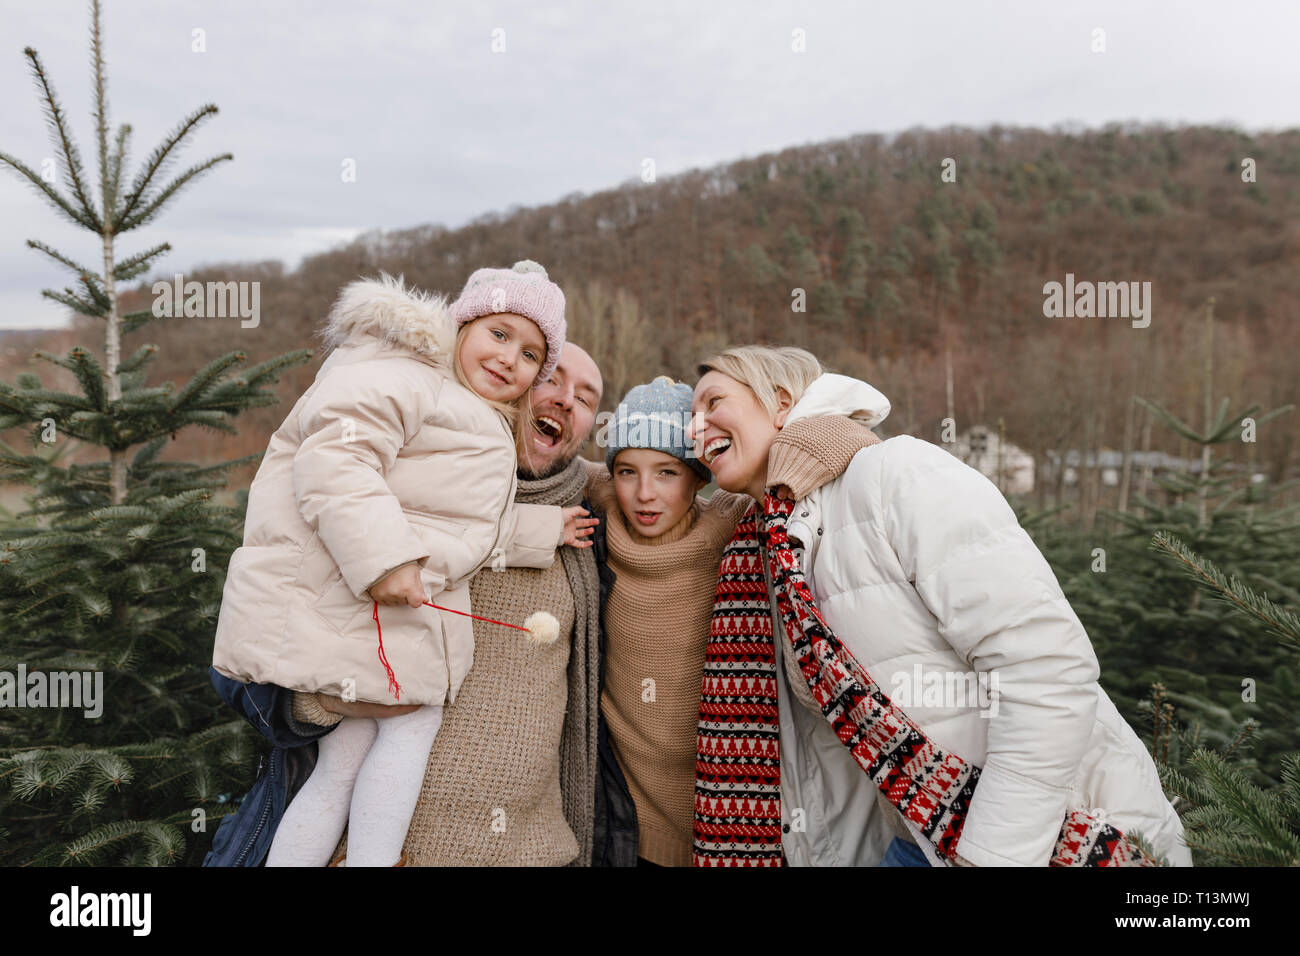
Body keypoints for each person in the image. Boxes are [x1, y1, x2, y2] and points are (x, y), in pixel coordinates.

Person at [687, 345, 1193, 867]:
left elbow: (1045, 670)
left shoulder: (894, 474)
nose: (695, 428)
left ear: (782, 400)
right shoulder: (775, 545)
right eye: (689, 418)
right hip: (915, 841)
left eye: (713, 401)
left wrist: (992, 856)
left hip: (1044, 836)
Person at [210, 262, 595, 867]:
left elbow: (457, 522)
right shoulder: (411, 380)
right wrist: (385, 560)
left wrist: (543, 528)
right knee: (412, 724)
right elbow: (334, 462)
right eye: (498, 333)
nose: (509, 359)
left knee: (343, 764)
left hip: (363, 605)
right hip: (350, 599)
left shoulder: (467, 410)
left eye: (528, 354)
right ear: (460, 323)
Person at [585, 377, 876, 866]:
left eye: (667, 472)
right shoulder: (602, 513)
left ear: (699, 476)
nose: (644, 493)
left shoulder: (730, 521)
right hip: (630, 828)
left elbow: (820, 455)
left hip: (732, 808)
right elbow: (531, 459)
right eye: (627, 471)